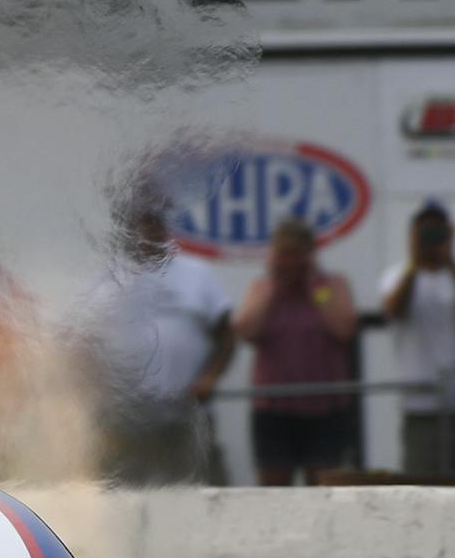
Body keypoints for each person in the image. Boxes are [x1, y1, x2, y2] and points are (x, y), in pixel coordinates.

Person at [82, 189, 235, 484]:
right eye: (139, 222)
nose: (147, 229)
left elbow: (227, 335)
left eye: (153, 221)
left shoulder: (196, 274)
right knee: (128, 494)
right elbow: (85, 343)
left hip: (186, 414)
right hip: (128, 417)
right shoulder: (105, 279)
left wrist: (210, 378)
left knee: (197, 490)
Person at [236, 218, 356, 484]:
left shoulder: (331, 286)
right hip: (274, 411)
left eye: (295, 254)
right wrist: (274, 289)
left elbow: (344, 328)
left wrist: (315, 289)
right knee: (273, 494)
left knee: (325, 488)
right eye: (282, 254)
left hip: (324, 410)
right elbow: (245, 330)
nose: (288, 262)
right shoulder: (262, 289)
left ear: (309, 255)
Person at [380, 201, 455, 476]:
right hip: (420, 405)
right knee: (421, 485)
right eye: (425, 233)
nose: (430, 239)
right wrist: (415, 263)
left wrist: (448, 260)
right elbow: (394, 310)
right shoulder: (396, 275)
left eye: (437, 233)